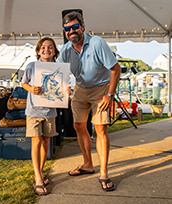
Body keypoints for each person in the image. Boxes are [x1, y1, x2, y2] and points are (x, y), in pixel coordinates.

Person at [57, 11, 121, 191]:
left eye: (75, 27)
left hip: (101, 89)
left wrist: (110, 94)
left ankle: (104, 173)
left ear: (82, 27)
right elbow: (60, 72)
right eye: (67, 29)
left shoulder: (97, 43)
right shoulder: (66, 49)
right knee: (78, 126)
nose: (71, 31)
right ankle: (87, 164)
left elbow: (116, 69)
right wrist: (65, 85)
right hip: (80, 88)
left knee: (100, 128)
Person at [21, 37, 60, 196]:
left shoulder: (59, 68)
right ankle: (37, 177)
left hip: (50, 112)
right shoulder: (32, 66)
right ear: (38, 51)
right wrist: (31, 89)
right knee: (36, 141)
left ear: (54, 51)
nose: (46, 50)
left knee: (46, 142)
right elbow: (24, 83)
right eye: (43, 47)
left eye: (50, 47)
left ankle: (41, 171)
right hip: (34, 112)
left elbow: (61, 88)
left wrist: (67, 90)